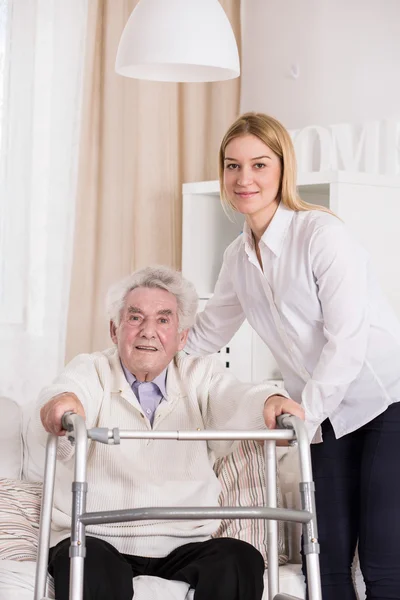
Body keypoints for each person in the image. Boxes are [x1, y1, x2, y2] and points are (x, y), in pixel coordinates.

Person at [185, 112, 400, 600]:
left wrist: (305, 418)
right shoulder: (238, 259)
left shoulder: (320, 235)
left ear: (283, 169)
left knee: (385, 564)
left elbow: (349, 339)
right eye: (232, 166)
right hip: (323, 414)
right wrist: (139, 354)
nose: (245, 179)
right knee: (321, 563)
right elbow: (207, 331)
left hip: (384, 402)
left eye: (259, 165)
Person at [33, 265, 303, 600]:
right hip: (98, 537)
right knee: (86, 560)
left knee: (239, 557)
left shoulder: (199, 374)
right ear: (115, 330)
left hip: (183, 543)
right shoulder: (93, 369)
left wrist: (269, 401)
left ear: (182, 337)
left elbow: (234, 398)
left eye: (163, 320)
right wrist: (63, 404)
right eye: (135, 318)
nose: (148, 331)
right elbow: (65, 393)